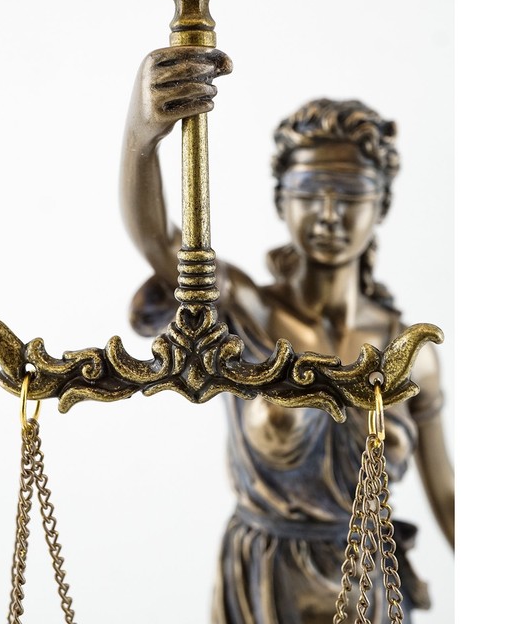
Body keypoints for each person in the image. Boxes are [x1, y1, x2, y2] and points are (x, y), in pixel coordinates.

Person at [120, 45, 454, 624]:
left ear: (381, 204)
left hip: (365, 587)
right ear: (281, 200)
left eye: (349, 195)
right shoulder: (246, 310)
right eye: (308, 192)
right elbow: (160, 243)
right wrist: (141, 135)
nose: (328, 214)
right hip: (263, 585)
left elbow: (447, 494)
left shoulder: (410, 354)